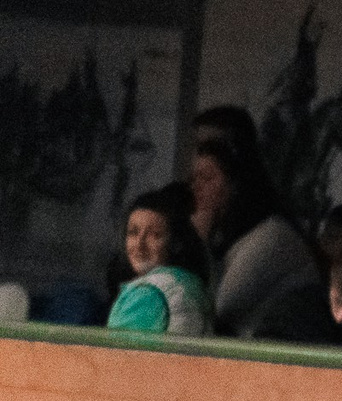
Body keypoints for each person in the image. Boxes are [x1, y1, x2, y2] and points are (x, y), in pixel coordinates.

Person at [195, 132, 313, 336]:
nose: (196, 188)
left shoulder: (272, 235)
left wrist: (198, 242)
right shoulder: (225, 234)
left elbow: (217, 308)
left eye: (206, 178)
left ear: (235, 184)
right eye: (193, 179)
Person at [104, 185, 213, 336]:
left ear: (175, 243)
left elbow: (116, 358)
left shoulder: (146, 294)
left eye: (154, 235)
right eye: (133, 233)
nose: (139, 244)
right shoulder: (192, 284)